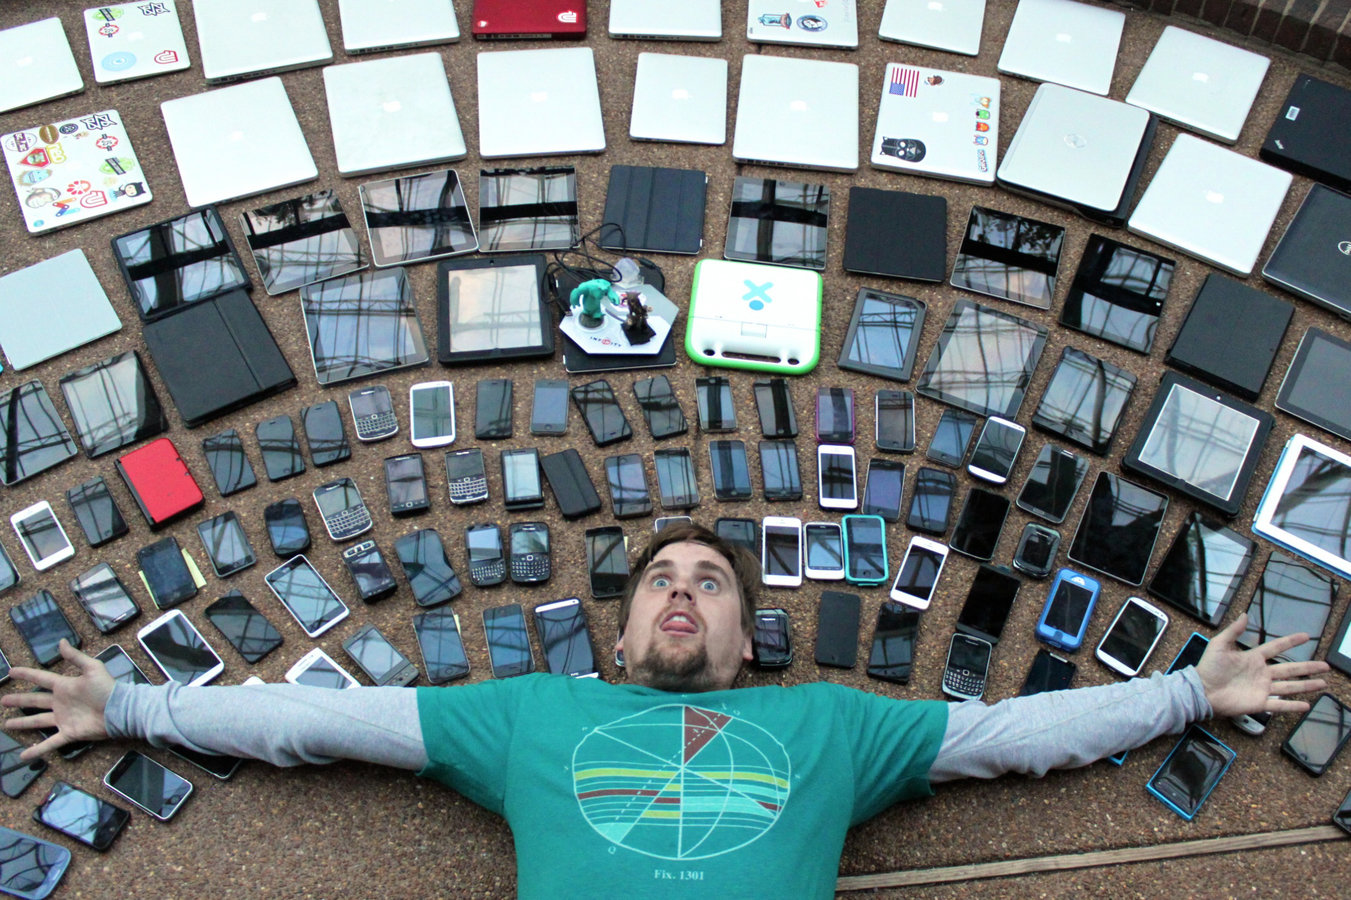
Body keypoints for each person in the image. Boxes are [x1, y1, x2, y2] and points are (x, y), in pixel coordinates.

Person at [2, 523, 1329, 898]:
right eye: (658, 582)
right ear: (623, 634)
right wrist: (129, 703)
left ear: (748, 641)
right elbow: (320, 724)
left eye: (710, 582)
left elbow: (1012, 741)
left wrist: (1189, 691)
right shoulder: (527, 717)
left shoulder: (831, 725)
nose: (681, 592)